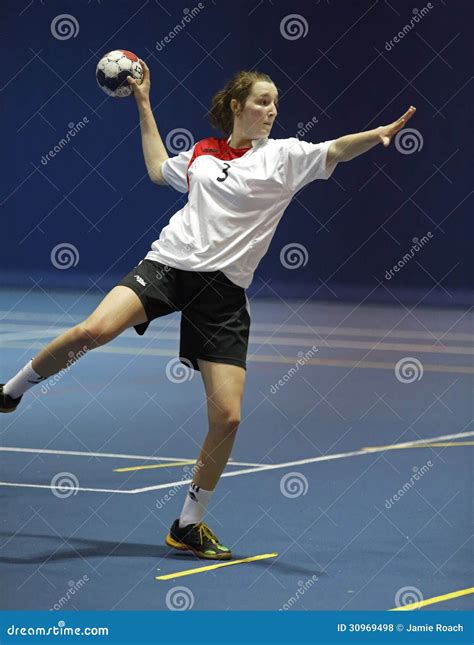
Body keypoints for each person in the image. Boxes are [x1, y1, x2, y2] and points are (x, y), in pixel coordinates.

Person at [0, 61, 416, 559]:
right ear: (237, 106)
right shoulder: (201, 152)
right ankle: (10, 391)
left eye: (276, 103)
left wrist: (377, 134)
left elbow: (337, 149)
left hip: (223, 293)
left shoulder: (285, 156)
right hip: (169, 265)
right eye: (263, 101)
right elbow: (158, 170)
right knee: (94, 329)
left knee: (229, 417)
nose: (272, 110)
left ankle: (188, 523)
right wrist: (145, 105)